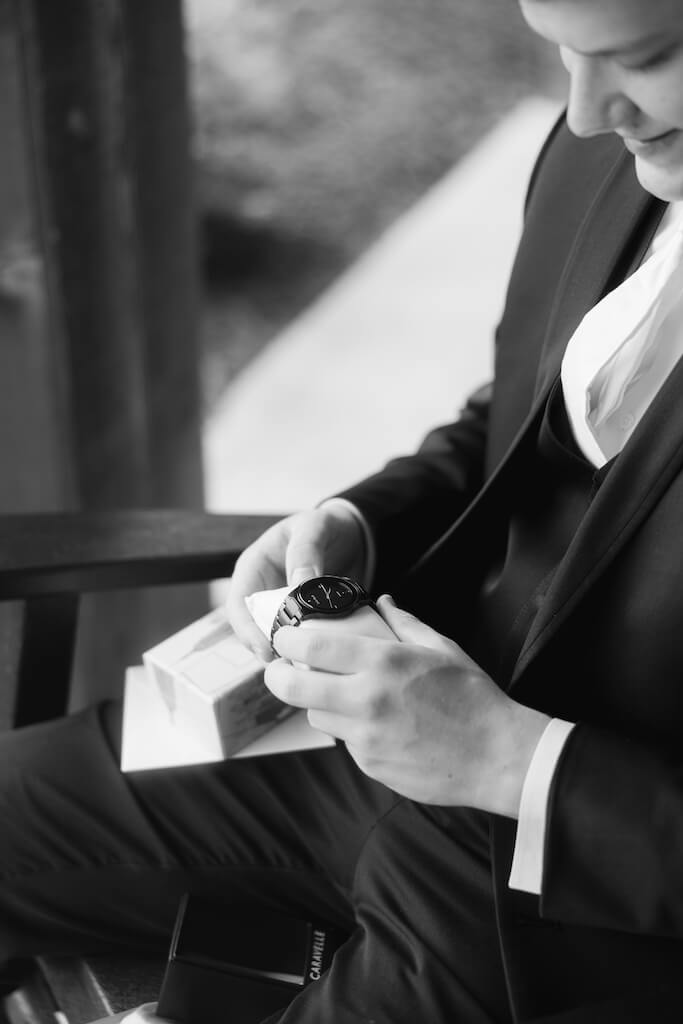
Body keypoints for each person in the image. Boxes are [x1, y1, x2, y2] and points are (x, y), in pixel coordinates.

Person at [4, 0, 683, 1020]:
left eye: (643, 56)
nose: (583, 112)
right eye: (559, 52)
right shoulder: (602, 157)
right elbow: (516, 413)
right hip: (357, 746)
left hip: (586, 905)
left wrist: (515, 763)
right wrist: (360, 522)